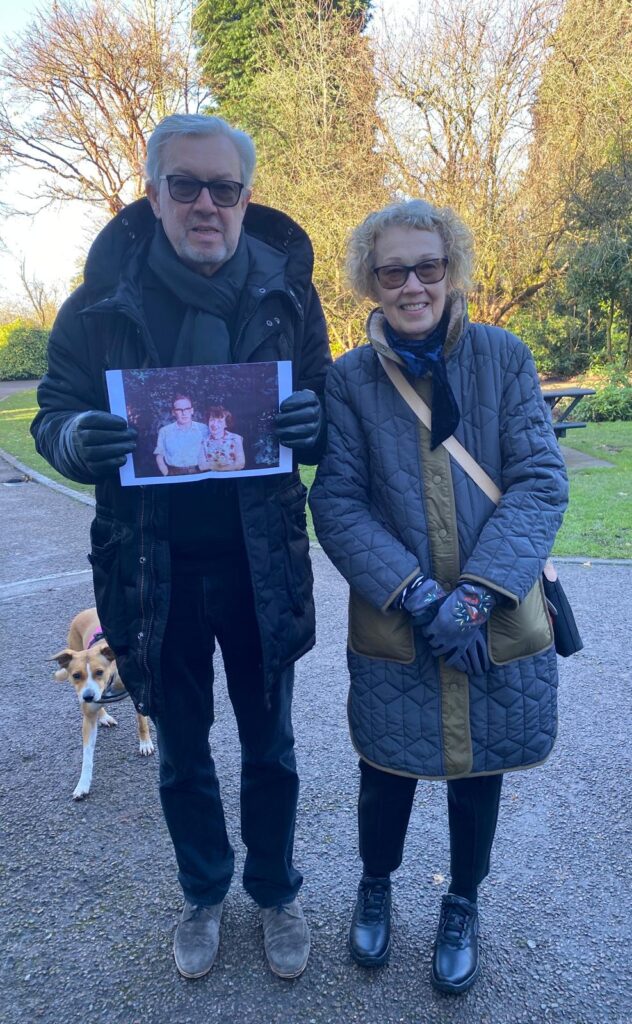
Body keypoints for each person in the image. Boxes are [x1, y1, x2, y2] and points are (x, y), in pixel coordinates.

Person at [31, 113, 331, 981]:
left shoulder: (287, 295)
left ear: (246, 196)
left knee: (270, 744)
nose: (208, 203)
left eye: (225, 188)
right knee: (184, 748)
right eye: (187, 185)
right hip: (149, 568)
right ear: (154, 190)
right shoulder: (95, 307)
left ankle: (275, 892)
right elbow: (52, 412)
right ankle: (205, 891)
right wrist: (74, 439)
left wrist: (312, 424)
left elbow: (317, 404)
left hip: (259, 564)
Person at [309, 200, 568, 994]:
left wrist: (477, 596)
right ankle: (376, 884)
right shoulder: (349, 378)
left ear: (452, 268)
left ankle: (462, 903)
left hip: (492, 616)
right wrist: (419, 595)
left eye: (429, 266)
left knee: (478, 770)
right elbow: (338, 501)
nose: (413, 284)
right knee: (385, 766)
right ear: (371, 280)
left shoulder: (504, 356)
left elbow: (538, 478)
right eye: (394, 270)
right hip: (400, 617)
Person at [154, 393, 208, 475]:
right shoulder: (165, 431)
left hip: (198, 472)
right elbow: (159, 455)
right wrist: (165, 473)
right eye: (179, 410)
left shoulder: (203, 429)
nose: (184, 413)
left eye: (187, 409)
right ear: (173, 412)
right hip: (173, 473)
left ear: (192, 410)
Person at [198, 405, 245, 472]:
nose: (214, 424)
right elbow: (202, 466)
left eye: (219, 421)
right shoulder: (203, 441)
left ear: (226, 424)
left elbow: (240, 464)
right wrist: (227, 465)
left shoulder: (236, 439)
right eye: (212, 420)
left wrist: (214, 466)